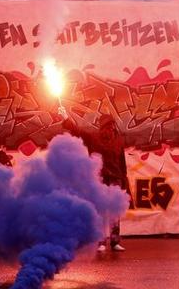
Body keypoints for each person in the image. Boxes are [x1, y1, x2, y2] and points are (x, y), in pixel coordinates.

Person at [60, 108, 129, 252]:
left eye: (111, 125)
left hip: (116, 178)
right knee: (100, 211)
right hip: (101, 178)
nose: (109, 128)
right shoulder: (94, 138)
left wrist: (124, 179)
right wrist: (65, 117)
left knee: (115, 212)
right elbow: (77, 131)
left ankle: (115, 241)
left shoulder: (119, 140)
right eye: (107, 125)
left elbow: (122, 162)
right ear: (102, 126)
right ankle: (101, 241)